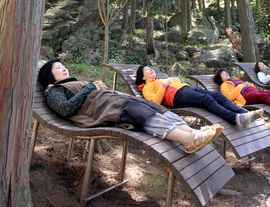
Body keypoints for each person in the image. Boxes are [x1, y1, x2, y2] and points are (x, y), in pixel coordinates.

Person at [38, 60, 222, 155]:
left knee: (155, 108)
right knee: (141, 114)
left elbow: (86, 96)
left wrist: (96, 88)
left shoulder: (71, 84)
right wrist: (90, 87)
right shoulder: (53, 91)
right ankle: (188, 140)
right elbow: (66, 109)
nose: (64, 69)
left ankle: (192, 133)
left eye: (63, 66)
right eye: (58, 67)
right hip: (108, 110)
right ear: (49, 75)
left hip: (113, 102)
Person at [135, 65, 264, 127]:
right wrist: (166, 83)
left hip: (185, 90)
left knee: (217, 96)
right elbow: (154, 102)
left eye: (150, 68)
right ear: (142, 76)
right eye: (146, 69)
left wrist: (173, 81)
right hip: (178, 97)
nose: (150, 69)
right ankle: (234, 118)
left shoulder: (158, 80)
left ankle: (243, 113)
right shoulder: (146, 87)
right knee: (206, 100)